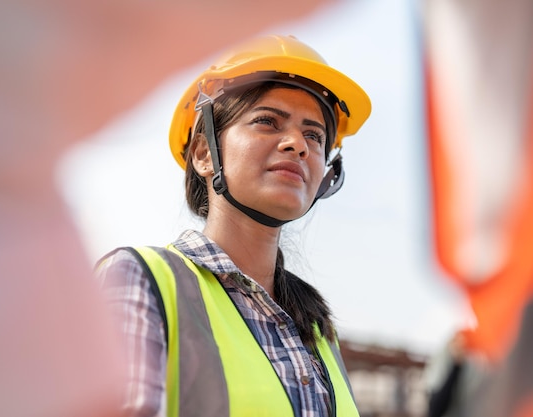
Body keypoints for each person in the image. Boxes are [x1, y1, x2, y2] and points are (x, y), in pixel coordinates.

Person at [95, 34, 371, 417]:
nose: (298, 144)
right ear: (205, 153)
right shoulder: (140, 280)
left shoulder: (320, 333)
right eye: (267, 122)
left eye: (314, 135)